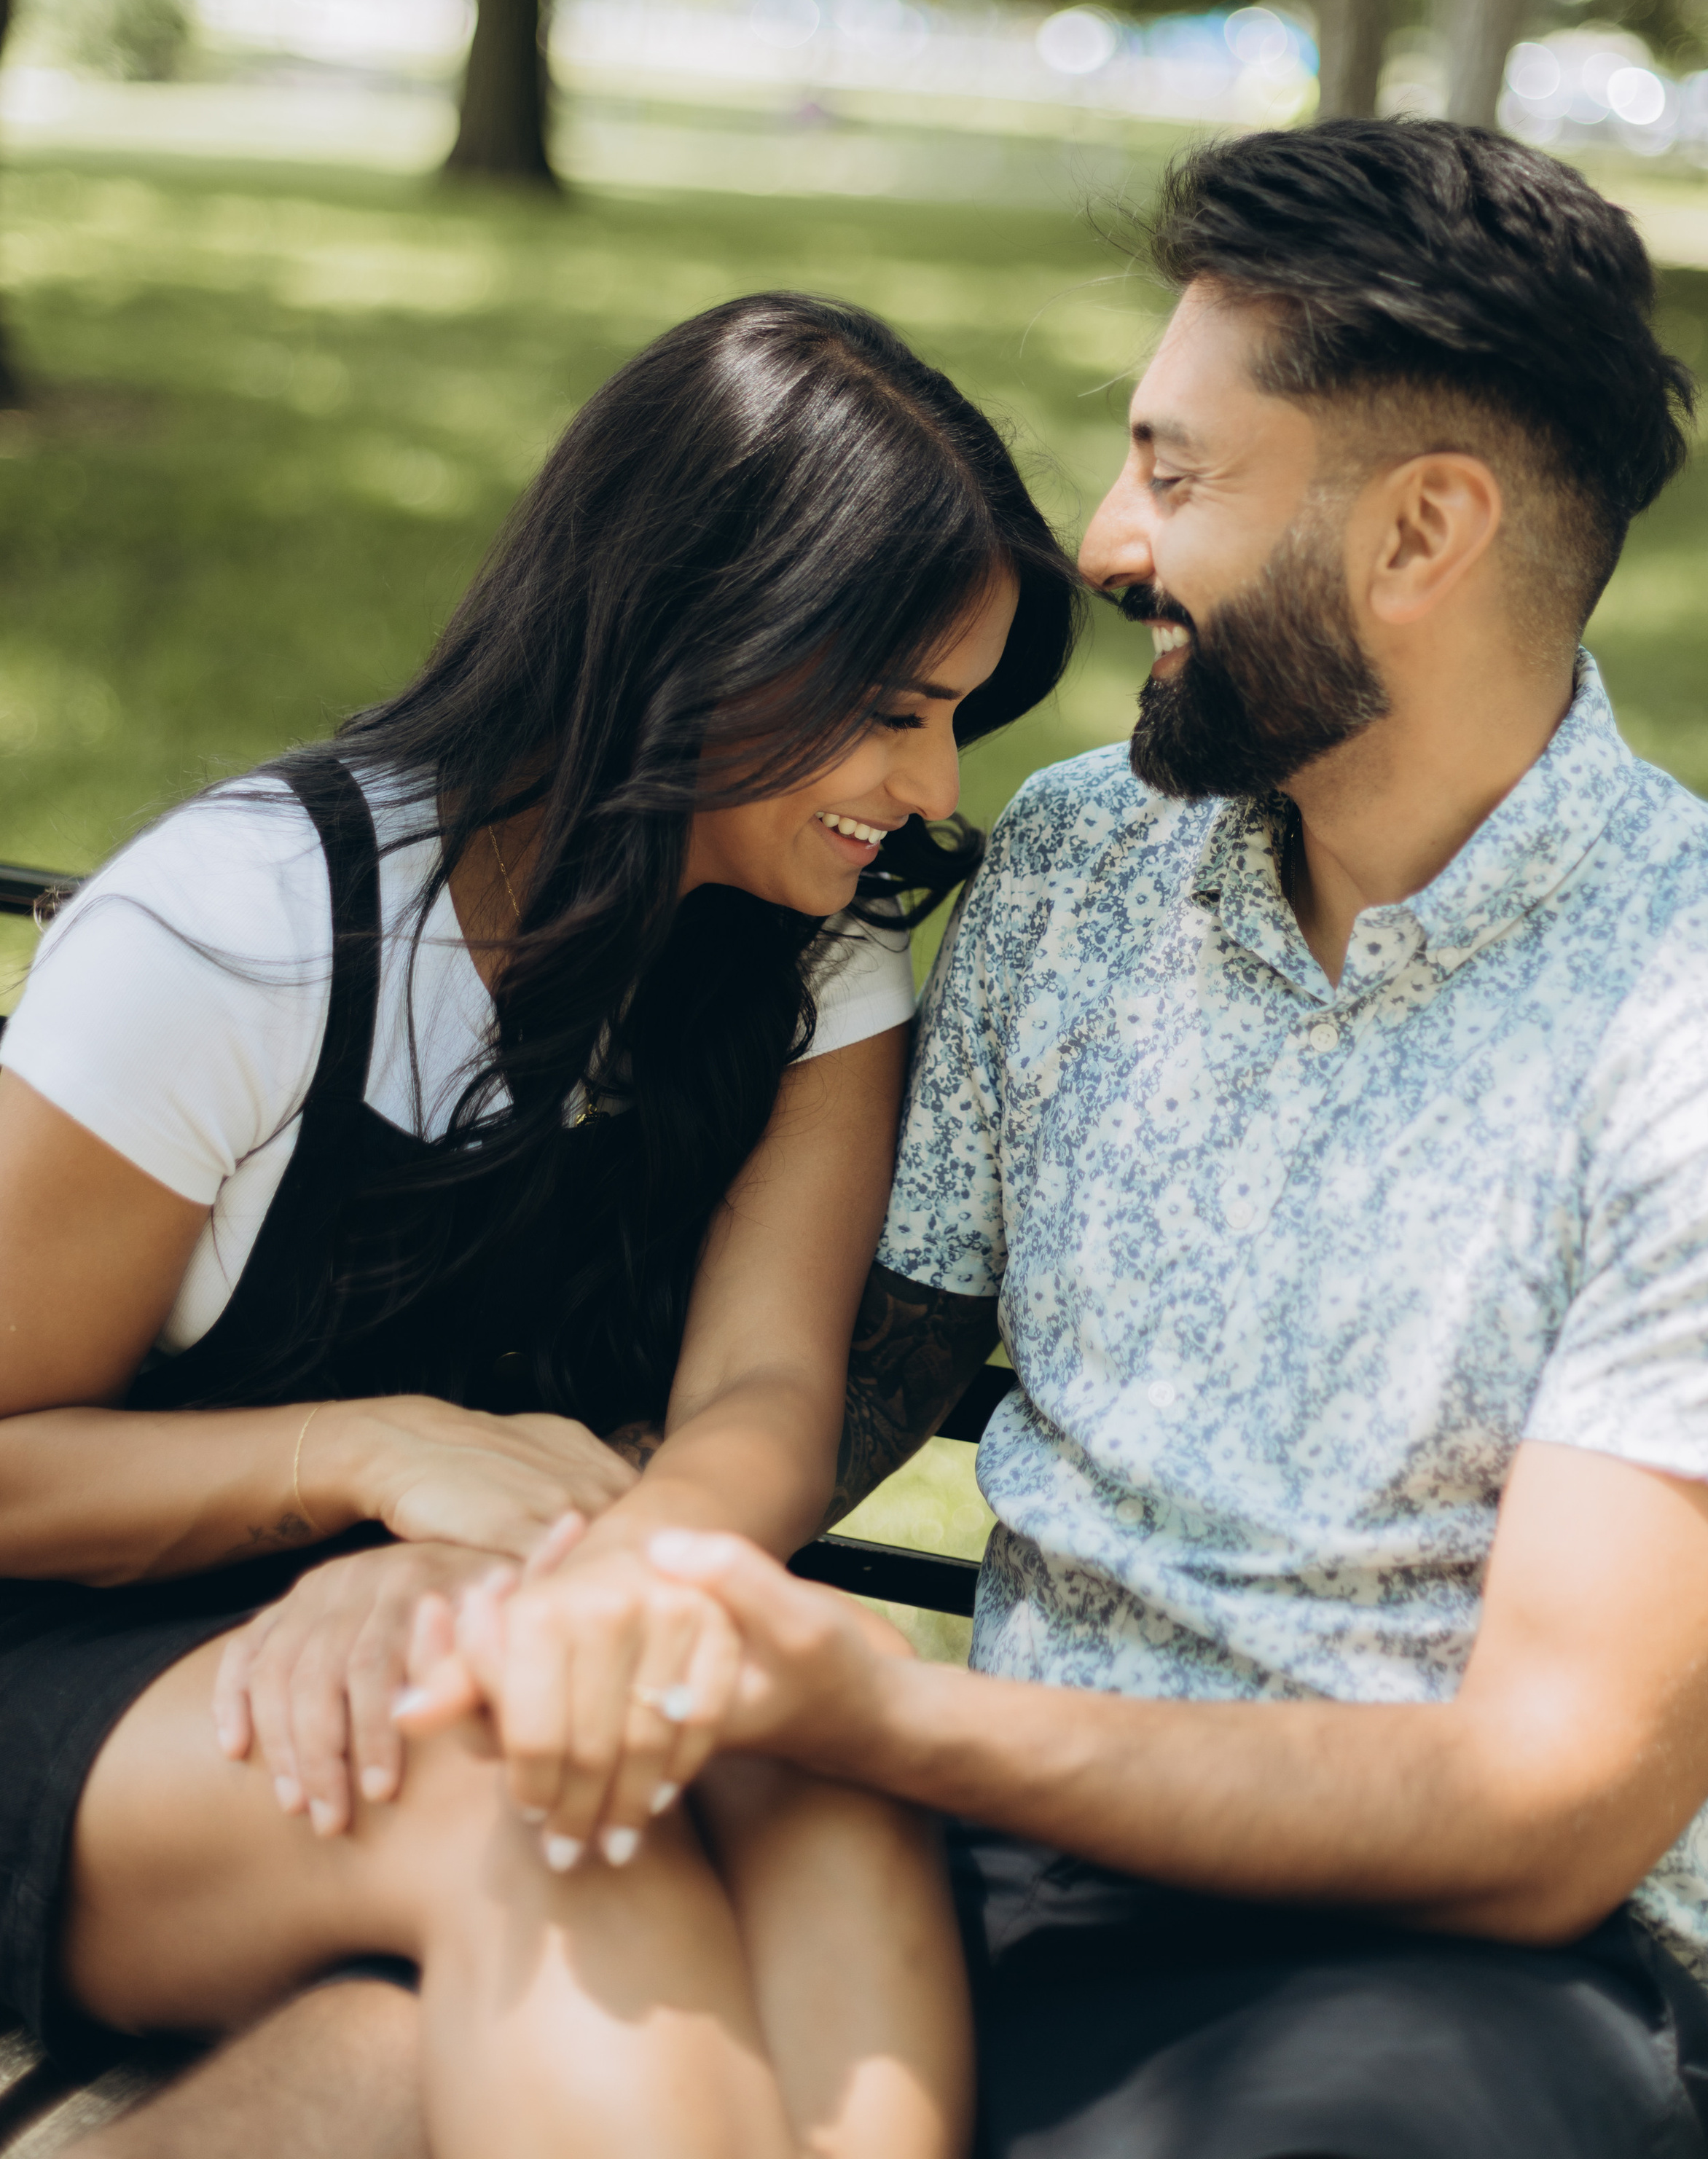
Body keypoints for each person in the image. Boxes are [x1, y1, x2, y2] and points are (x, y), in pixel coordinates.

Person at [439, 122, 1708, 2159]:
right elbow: (859, 1362)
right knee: (440, 1999)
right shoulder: (1087, 869)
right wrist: (525, 1591)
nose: (1107, 541)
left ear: (1422, 531)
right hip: (994, 1876)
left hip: (1453, 1988)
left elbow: (1539, 1820)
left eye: (1179, 474)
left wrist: (889, 1717)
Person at [0, 291, 1081, 2159]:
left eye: (955, 722)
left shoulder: (812, 961)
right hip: (79, 1685)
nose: (928, 793)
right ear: (693, 634)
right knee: (545, 1816)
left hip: (446, 1647)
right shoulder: (249, 933)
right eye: (894, 712)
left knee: (825, 1771)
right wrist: (366, 1463)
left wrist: (564, 1599)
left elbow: (760, 1393)